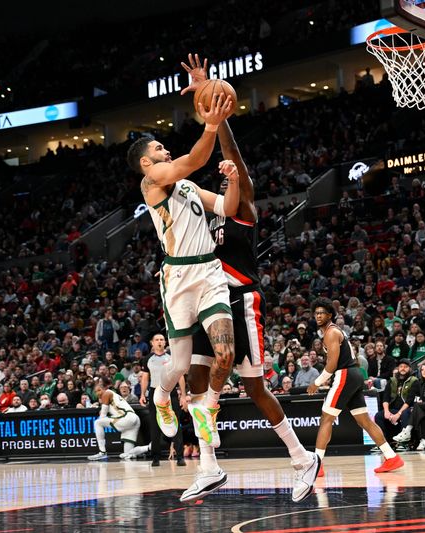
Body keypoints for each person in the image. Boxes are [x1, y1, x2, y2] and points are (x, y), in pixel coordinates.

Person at [181, 55, 319, 503]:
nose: (224, 182)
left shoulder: (245, 210)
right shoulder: (210, 213)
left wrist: (217, 117)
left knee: (255, 387)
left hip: (241, 301)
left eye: (231, 179)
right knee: (197, 382)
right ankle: (208, 466)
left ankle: (302, 459)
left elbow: (231, 156)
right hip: (210, 305)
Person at [127, 83, 237, 450]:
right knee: (181, 363)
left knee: (226, 354)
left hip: (209, 272)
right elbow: (193, 159)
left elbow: (228, 208)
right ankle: (162, 398)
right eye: (158, 148)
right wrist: (210, 124)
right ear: (146, 161)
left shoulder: (188, 187)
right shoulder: (151, 182)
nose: (165, 149)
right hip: (178, 277)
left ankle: (208, 408)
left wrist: (234, 180)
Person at [307, 298, 403, 475]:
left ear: (330, 315)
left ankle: (317, 464)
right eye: (316, 313)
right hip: (353, 374)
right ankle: (392, 457)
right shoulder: (333, 332)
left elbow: (332, 364)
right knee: (364, 420)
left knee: (326, 419)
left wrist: (317, 382)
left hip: (345, 374)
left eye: (322, 313)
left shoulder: (331, 333)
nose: (319, 315)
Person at [124, 333, 186, 467]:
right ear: (152, 343)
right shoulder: (147, 359)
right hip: (154, 392)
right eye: (157, 339)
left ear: (165, 342)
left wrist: (183, 395)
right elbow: (145, 378)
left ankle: (180, 456)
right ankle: (156, 457)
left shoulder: (172, 357)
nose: (159, 342)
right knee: (155, 425)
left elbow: (180, 376)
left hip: (171, 392)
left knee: (176, 423)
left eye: (162, 339)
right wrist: (142, 395)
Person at [88, 377, 141, 461]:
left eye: (99, 390)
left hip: (127, 418)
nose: (97, 393)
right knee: (127, 454)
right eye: (95, 391)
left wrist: (101, 412)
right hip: (135, 420)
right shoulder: (113, 396)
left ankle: (102, 452)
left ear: (104, 389)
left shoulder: (107, 393)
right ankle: (147, 448)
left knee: (97, 423)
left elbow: (102, 415)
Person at [375, 359, 417, 443]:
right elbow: (385, 398)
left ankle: (403, 443)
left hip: (406, 409)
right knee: (378, 415)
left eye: (405, 367)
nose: (403, 368)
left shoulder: (414, 381)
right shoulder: (392, 380)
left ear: (410, 369)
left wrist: (398, 414)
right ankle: (384, 442)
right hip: (393, 409)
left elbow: (409, 401)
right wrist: (386, 411)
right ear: (398, 368)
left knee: (405, 414)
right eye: (401, 366)